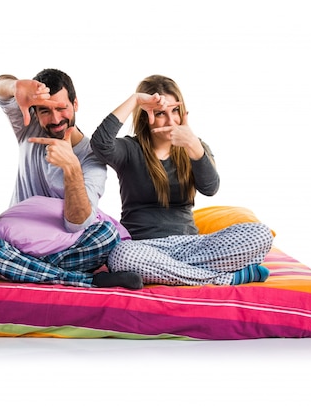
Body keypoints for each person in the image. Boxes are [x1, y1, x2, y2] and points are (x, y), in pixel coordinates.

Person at [0, 69, 142, 289]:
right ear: (34, 111)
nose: (55, 119)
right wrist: (15, 86)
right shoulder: (28, 126)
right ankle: (86, 280)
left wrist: (72, 169)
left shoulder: (92, 157)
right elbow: (0, 89)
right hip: (13, 243)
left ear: (75, 103)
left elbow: (77, 224)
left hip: (65, 249)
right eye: (45, 110)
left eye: (62, 108)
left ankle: (5, 270)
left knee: (107, 236)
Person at [90, 74, 274, 286]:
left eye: (175, 111)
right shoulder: (130, 149)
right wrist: (135, 100)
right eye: (160, 113)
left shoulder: (194, 146)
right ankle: (225, 278)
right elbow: (100, 143)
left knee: (261, 234)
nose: (170, 121)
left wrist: (194, 148)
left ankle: (177, 273)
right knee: (121, 256)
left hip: (191, 245)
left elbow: (210, 188)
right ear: (145, 116)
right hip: (144, 247)